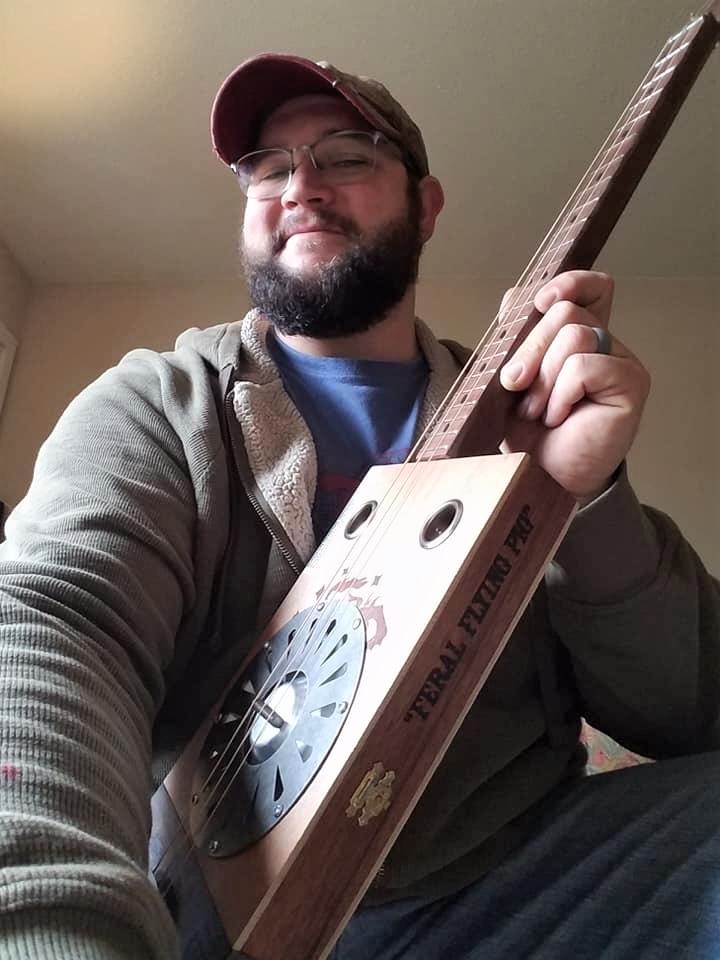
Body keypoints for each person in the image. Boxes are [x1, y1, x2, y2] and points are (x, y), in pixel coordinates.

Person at [0, 53, 718, 960]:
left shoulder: (530, 405)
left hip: (536, 871)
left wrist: (587, 501)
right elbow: (56, 620)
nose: (299, 186)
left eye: (345, 157)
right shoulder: (157, 405)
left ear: (426, 205)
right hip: (233, 913)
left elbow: (693, 714)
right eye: (267, 167)